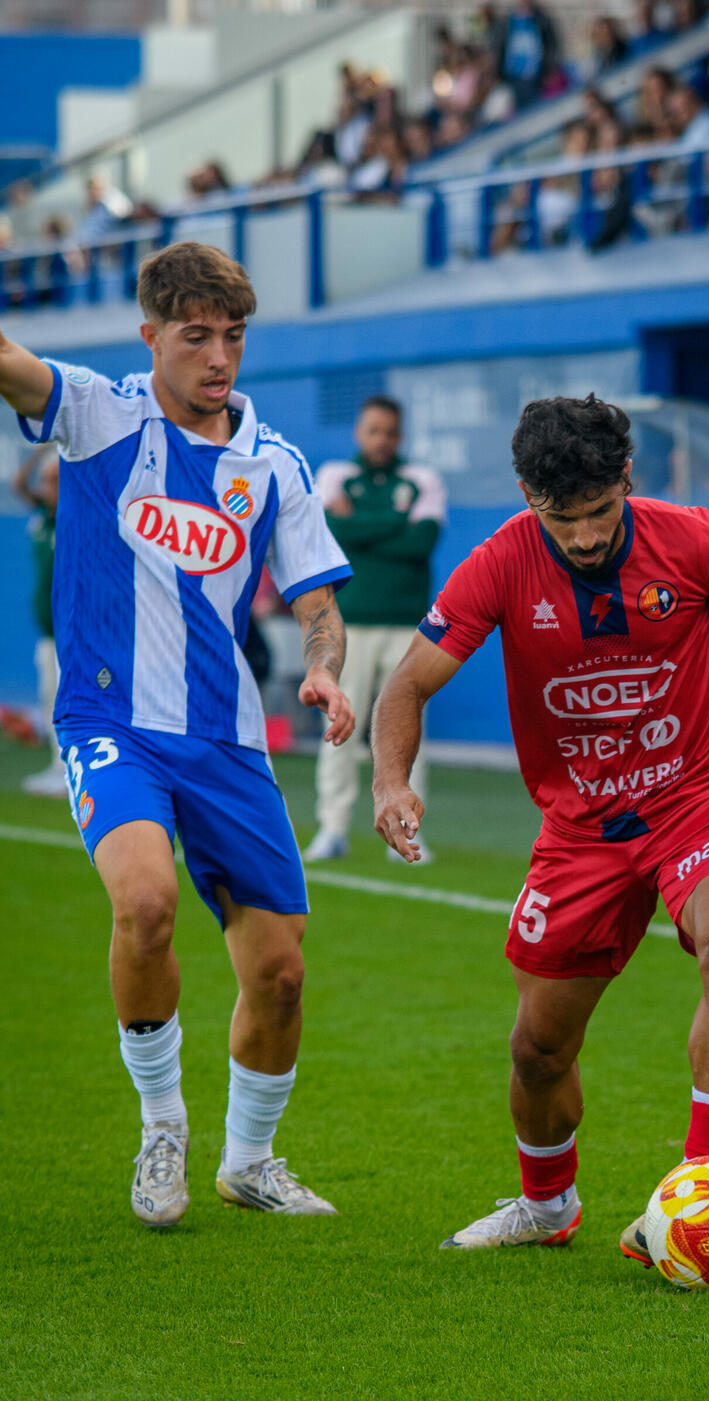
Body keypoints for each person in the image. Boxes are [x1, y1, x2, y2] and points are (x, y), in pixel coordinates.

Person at [370, 395, 709, 1257]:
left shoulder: (696, 540)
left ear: (627, 477)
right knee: (539, 1049)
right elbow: (408, 684)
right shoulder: (499, 564)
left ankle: (694, 1198)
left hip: (703, 795)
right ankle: (547, 1206)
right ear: (527, 495)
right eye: (562, 518)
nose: (584, 537)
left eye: (599, 512)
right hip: (582, 828)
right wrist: (391, 781)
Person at [0, 240, 355, 1227]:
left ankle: (250, 1162)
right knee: (146, 903)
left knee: (280, 973)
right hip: (111, 721)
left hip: (226, 741)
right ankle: (163, 1127)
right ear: (149, 336)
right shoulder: (94, 413)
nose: (219, 357)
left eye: (233, 336)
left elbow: (319, 605)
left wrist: (324, 667)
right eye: (196, 337)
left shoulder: (274, 465)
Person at [304, 396, 446, 862]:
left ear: (400, 436)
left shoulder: (422, 478)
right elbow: (333, 533)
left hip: (409, 628)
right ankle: (332, 828)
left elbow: (421, 542)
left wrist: (360, 525)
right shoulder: (334, 475)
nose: (381, 439)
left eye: (389, 431)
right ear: (358, 432)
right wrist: (397, 521)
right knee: (340, 727)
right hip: (350, 626)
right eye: (373, 430)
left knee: (408, 731)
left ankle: (409, 831)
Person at [13, 448, 64, 794]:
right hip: (48, 633)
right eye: (46, 481)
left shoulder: (74, 518)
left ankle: (70, 770)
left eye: (55, 481)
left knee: (66, 703)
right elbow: (19, 485)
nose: (48, 488)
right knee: (50, 700)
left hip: (73, 635)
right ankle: (58, 767)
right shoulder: (43, 518)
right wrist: (42, 451)